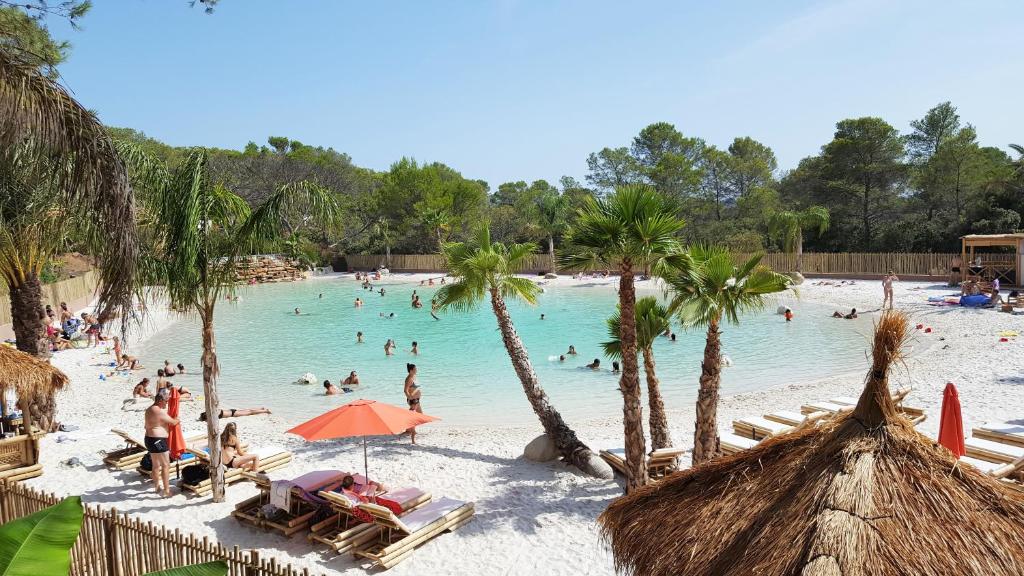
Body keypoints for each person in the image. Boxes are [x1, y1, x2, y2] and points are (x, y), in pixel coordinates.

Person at [144, 390, 178, 497]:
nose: (167, 403)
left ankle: (157, 487)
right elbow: (173, 422)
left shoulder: (149, 409)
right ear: (161, 400)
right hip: (158, 440)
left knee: (156, 465)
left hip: (149, 439)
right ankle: (167, 491)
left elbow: (147, 425)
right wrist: (177, 419)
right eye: (166, 401)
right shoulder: (158, 410)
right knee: (165, 465)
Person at [404, 363, 422, 444]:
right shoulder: (409, 379)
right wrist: (409, 397)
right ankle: (412, 432)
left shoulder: (413, 376)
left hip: (416, 399)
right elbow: (405, 390)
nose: (416, 370)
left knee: (420, 414)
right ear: (411, 370)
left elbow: (415, 387)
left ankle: (408, 429)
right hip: (413, 400)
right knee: (413, 417)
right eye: (415, 369)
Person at [198, 407, 271, 421]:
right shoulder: (213, 411)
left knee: (249, 412)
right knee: (248, 410)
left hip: (233, 414)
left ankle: (265, 411)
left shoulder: (215, 416)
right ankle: (261, 408)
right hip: (231, 410)